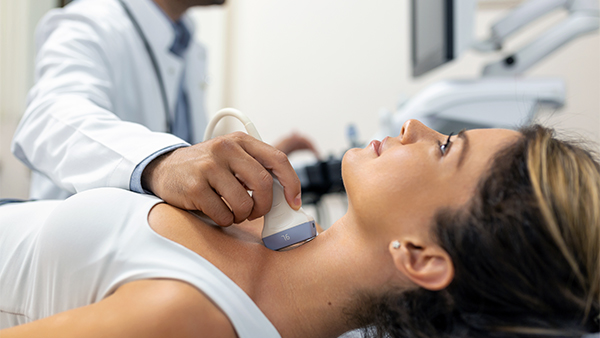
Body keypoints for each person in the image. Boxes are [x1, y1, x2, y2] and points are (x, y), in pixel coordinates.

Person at [1, 120, 598, 337]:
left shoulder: (187, 317)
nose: (415, 127)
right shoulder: (265, 231)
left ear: (420, 255)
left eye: (445, 148)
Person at [11, 0, 316, 227]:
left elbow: (191, 170)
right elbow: (47, 119)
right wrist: (162, 163)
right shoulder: (89, 22)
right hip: (78, 257)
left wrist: (251, 171)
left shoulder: (188, 46)